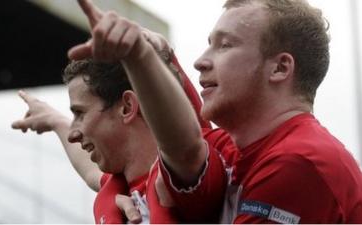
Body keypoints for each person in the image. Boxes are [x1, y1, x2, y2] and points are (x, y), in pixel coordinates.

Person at [69, 0, 362, 223]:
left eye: (225, 45)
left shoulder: (299, 162)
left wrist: (140, 57)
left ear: (280, 68)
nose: (200, 61)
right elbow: (183, 145)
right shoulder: (237, 151)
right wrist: (158, 62)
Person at [12, 33, 213, 223]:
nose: (73, 134)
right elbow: (92, 173)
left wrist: (164, 56)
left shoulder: (192, 180)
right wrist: (54, 120)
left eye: (80, 113)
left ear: (127, 107)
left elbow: (192, 142)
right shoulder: (121, 190)